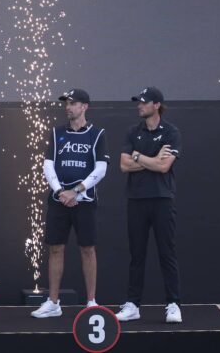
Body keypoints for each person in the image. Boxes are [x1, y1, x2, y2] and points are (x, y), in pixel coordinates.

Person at [31, 88, 109, 318]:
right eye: (66, 103)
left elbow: (101, 169)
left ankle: (91, 302)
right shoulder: (57, 133)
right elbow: (48, 165)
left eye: (73, 103)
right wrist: (60, 192)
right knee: (55, 248)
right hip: (59, 201)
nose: (68, 107)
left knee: (87, 248)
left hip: (84, 200)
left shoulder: (97, 134)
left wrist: (76, 191)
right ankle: (53, 302)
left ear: (85, 106)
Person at [116, 87, 183, 324]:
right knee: (137, 254)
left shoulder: (171, 132)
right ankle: (133, 304)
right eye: (138, 102)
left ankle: (173, 304)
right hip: (136, 200)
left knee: (167, 252)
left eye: (143, 103)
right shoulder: (133, 131)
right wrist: (151, 159)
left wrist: (138, 156)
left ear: (156, 105)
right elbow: (124, 165)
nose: (139, 106)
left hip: (162, 199)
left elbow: (164, 167)